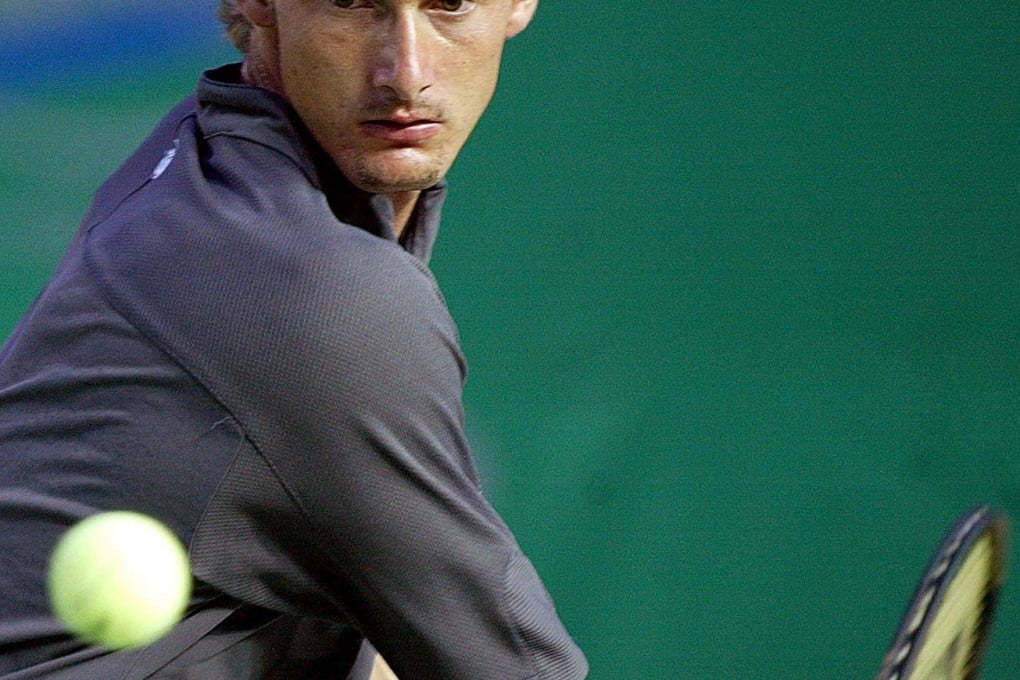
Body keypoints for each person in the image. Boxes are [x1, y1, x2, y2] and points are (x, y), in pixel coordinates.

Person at [0, 1, 589, 678]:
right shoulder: (314, 291)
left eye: (448, 5)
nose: (406, 72)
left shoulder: (196, 160)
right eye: (352, 5)